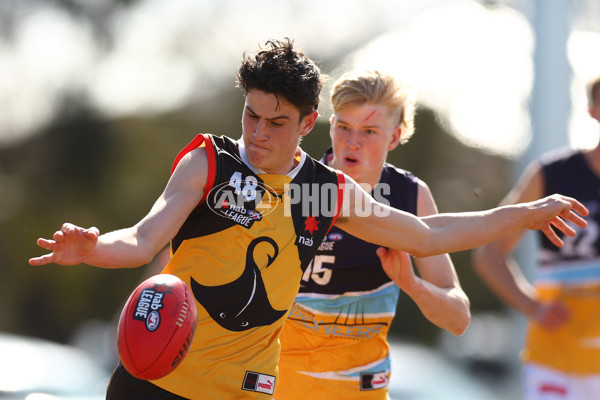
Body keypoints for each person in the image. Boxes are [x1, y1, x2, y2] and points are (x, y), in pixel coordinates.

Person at [29, 38, 588, 400]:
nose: (258, 133)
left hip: (244, 390)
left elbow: (425, 233)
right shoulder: (211, 162)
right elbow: (142, 238)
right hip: (159, 375)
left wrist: (526, 212)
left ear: (305, 123)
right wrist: (93, 247)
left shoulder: (322, 193)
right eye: (251, 114)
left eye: (277, 122)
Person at [275, 70, 470, 400]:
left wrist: (413, 285)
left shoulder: (410, 195)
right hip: (280, 389)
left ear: (393, 138)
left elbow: (458, 319)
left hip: (362, 392)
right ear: (330, 123)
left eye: (368, 131)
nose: (353, 142)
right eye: (344, 127)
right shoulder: (292, 184)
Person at [472, 73, 600, 400]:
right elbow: (488, 254)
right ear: (592, 110)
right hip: (557, 365)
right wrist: (533, 307)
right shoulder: (552, 174)